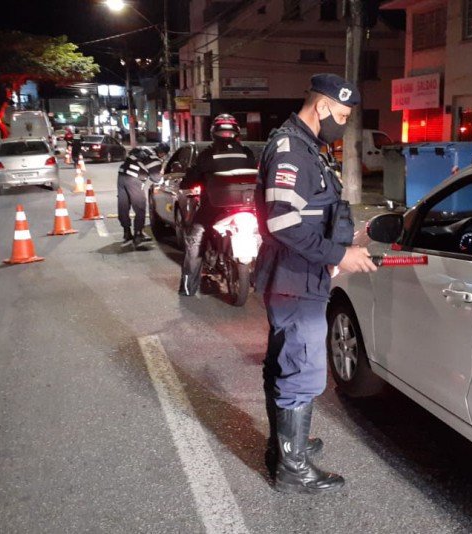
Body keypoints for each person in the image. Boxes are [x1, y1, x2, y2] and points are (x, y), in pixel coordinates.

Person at [255, 73, 378, 494]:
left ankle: (286, 445)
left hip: (298, 274)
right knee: (302, 370)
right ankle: (292, 468)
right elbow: (282, 221)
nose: (342, 124)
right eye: (341, 115)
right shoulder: (293, 151)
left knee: (287, 363)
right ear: (323, 106)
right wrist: (339, 255)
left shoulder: (307, 146)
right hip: (295, 279)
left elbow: (314, 213)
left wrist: (340, 243)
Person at [178, 114, 257, 296]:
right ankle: (260, 281)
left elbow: (191, 178)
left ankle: (188, 288)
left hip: (214, 209)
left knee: (194, 241)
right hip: (248, 208)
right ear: (237, 133)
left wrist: (186, 183)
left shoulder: (207, 155)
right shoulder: (247, 153)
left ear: (214, 133)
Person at [117, 142, 170, 247]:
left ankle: (126, 232)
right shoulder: (154, 159)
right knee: (140, 206)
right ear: (162, 153)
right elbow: (156, 179)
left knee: (123, 205)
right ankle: (138, 234)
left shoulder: (142, 149)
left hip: (121, 176)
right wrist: (162, 171)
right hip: (133, 179)